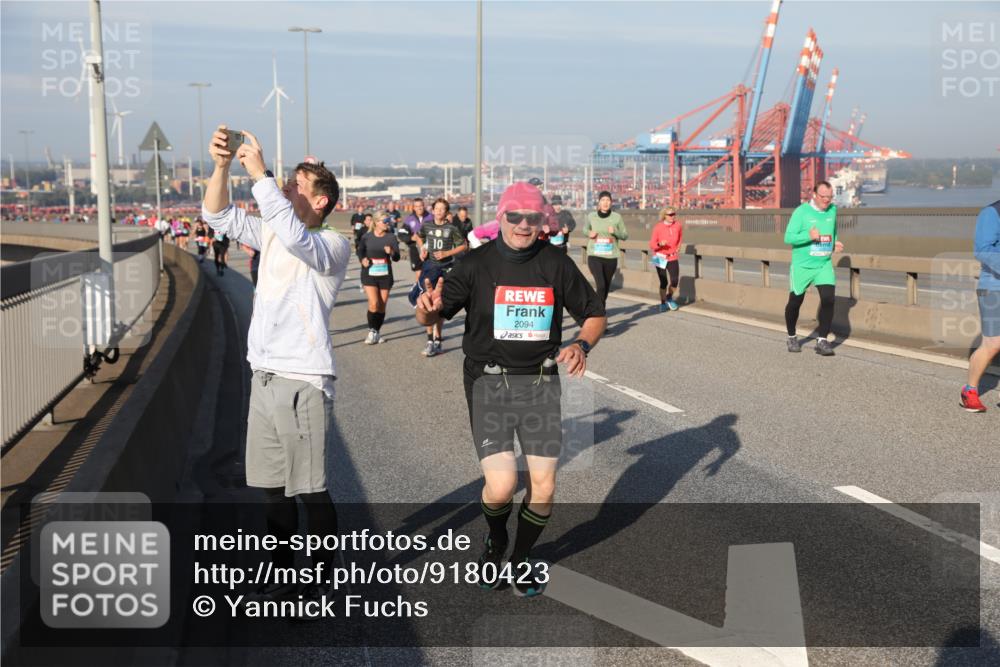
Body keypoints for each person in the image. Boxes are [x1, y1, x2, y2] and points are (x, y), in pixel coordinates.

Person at [415, 182, 606, 597]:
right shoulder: (475, 264)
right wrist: (423, 309)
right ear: (500, 217)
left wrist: (581, 343)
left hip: (539, 383)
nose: (523, 225)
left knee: (545, 486)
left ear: (543, 222)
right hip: (489, 382)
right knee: (501, 487)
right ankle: (495, 539)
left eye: (533, 218)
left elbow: (594, 314)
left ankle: (520, 561)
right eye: (514, 216)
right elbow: (432, 312)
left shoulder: (555, 264)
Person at [200, 124, 350, 608]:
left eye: (294, 187)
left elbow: (293, 233)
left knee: (310, 491)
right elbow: (216, 213)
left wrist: (262, 174)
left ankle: (320, 584)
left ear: (321, 201)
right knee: (270, 489)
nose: (283, 190)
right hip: (262, 375)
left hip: (301, 379)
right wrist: (224, 166)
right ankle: (282, 573)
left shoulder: (331, 244)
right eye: (283, 185)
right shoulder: (274, 230)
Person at [783, 181, 843, 356]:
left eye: (830, 197)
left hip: (823, 264)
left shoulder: (832, 210)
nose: (827, 200)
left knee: (828, 299)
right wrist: (808, 236)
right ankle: (792, 336)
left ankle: (822, 340)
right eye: (823, 197)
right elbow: (788, 237)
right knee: (795, 302)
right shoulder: (801, 212)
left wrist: (834, 244)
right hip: (802, 266)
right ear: (814, 195)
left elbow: (833, 231)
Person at [961, 200, 1000, 412]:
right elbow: (982, 249)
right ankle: (970, 390)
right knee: (993, 343)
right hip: (994, 287)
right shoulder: (992, 212)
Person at [416, 198, 467, 357]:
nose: (438, 211)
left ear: (446, 212)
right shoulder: (427, 225)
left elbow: (463, 245)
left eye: (442, 209)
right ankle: (430, 340)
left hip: (446, 269)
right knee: (428, 302)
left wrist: (446, 253)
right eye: (436, 208)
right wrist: (422, 249)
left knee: (439, 303)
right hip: (430, 267)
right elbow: (419, 237)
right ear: (432, 211)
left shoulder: (451, 228)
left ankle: (438, 339)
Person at [357, 214, 401, 345]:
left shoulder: (391, 237)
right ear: (376, 222)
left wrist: (391, 252)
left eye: (388, 221)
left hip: (385, 275)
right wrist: (362, 259)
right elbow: (360, 251)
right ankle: (372, 332)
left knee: (382, 306)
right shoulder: (367, 236)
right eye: (385, 221)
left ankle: (376, 331)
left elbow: (397, 257)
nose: (388, 223)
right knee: (374, 303)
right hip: (369, 273)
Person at [583, 190, 628, 306]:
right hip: (594, 255)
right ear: (599, 202)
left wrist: (616, 232)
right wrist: (589, 233)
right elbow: (584, 229)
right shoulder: (591, 216)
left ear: (611, 202)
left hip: (611, 256)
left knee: (606, 287)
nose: (605, 202)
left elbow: (625, 235)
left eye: (608, 200)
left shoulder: (617, 217)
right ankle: (598, 311)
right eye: (603, 200)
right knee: (601, 285)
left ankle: (598, 308)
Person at [648, 206, 683, 312]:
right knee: (663, 282)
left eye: (674, 214)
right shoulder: (658, 227)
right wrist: (660, 244)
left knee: (675, 281)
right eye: (670, 214)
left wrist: (678, 247)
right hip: (659, 257)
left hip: (672, 256)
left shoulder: (678, 225)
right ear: (664, 216)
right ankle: (663, 303)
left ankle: (669, 297)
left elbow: (680, 238)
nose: (673, 216)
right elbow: (652, 244)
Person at [402, 198, 433, 282]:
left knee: (429, 273)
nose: (419, 208)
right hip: (415, 249)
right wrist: (411, 238)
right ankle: (419, 291)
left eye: (421, 206)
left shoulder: (431, 217)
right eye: (417, 206)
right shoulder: (409, 219)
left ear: (424, 206)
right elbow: (401, 234)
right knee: (418, 273)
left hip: (429, 249)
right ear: (414, 208)